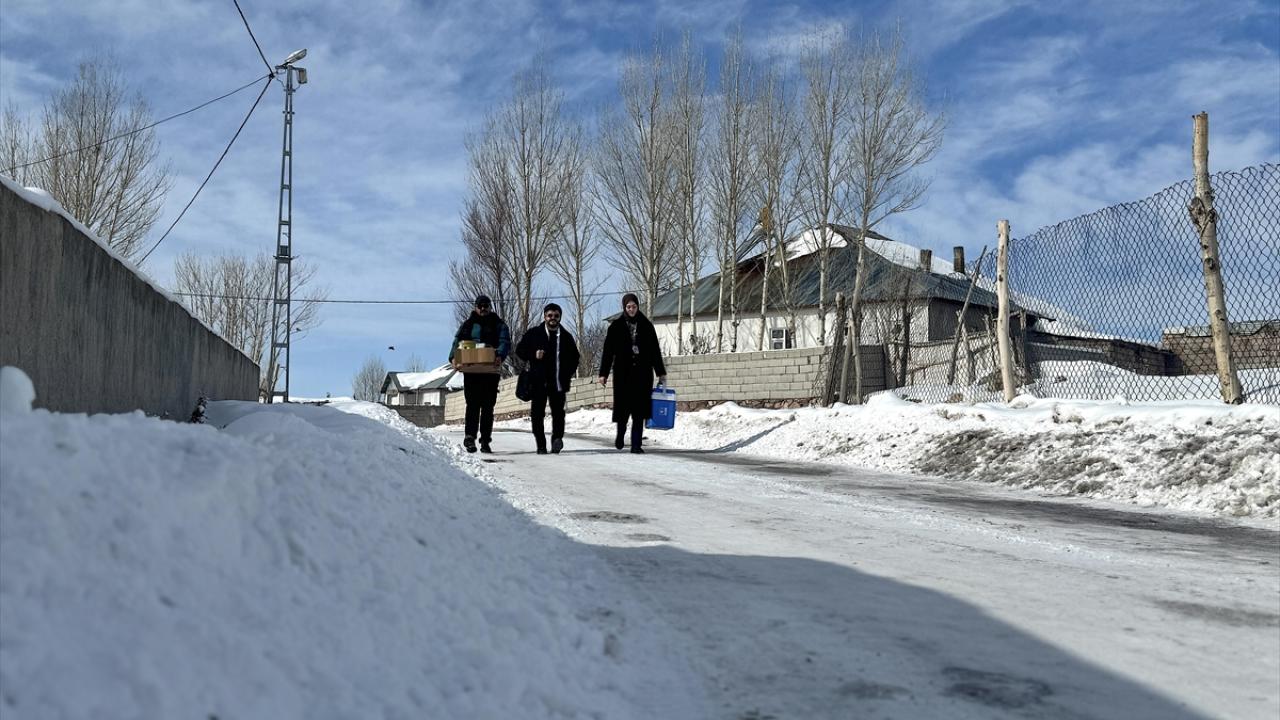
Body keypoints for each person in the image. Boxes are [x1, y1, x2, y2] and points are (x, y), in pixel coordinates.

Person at [598, 293, 667, 454]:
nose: (631, 309)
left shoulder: (646, 325)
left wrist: (660, 372)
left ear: (637, 307)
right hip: (623, 374)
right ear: (624, 307)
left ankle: (636, 444)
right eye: (628, 307)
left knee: (639, 410)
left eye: (634, 306)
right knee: (623, 409)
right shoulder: (615, 327)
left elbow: (655, 351)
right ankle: (620, 435)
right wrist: (603, 374)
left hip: (643, 374)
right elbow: (608, 352)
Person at [447, 294, 510, 454]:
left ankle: (485, 441)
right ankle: (470, 437)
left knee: (488, 407)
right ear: (476, 307)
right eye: (480, 306)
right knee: (472, 405)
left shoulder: (498, 324)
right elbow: (457, 341)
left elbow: (505, 341)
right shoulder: (468, 324)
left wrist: (500, 355)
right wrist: (453, 357)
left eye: (486, 305)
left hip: (490, 371)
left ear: (490, 307)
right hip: (472, 371)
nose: (483, 308)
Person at [516, 303, 580, 455]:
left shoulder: (566, 336)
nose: (553, 318)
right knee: (537, 414)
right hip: (538, 382)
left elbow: (575, 357)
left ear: (560, 317)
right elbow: (519, 350)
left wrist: (567, 373)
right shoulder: (534, 333)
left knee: (558, 413)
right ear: (544, 316)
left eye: (556, 316)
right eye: (550, 315)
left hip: (557, 382)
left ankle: (557, 439)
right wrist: (533, 354)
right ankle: (541, 444)